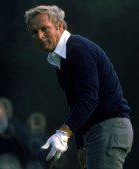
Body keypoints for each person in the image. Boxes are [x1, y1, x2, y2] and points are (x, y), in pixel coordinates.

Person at [25, 5, 133, 169]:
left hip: (108, 129)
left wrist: (63, 134)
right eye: (34, 32)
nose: (39, 36)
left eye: (44, 29)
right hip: (97, 132)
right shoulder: (60, 58)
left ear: (59, 26)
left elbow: (89, 99)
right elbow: (76, 105)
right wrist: (81, 145)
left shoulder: (78, 50)